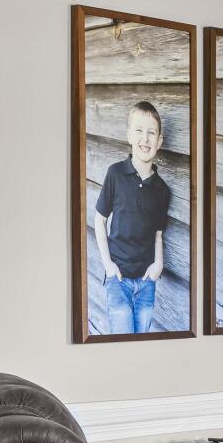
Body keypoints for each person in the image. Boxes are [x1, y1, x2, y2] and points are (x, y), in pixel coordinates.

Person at [92, 99, 176, 334]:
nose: (145, 138)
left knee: (142, 341)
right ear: (129, 135)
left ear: (159, 141)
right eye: (139, 131)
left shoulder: (161, 190)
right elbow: (100, 220)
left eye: (151, 133)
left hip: (147, 281)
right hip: (118, 279)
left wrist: (158, 264)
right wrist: (108, 265)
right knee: (122, 341)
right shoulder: (115, 174)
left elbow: (158, 233)